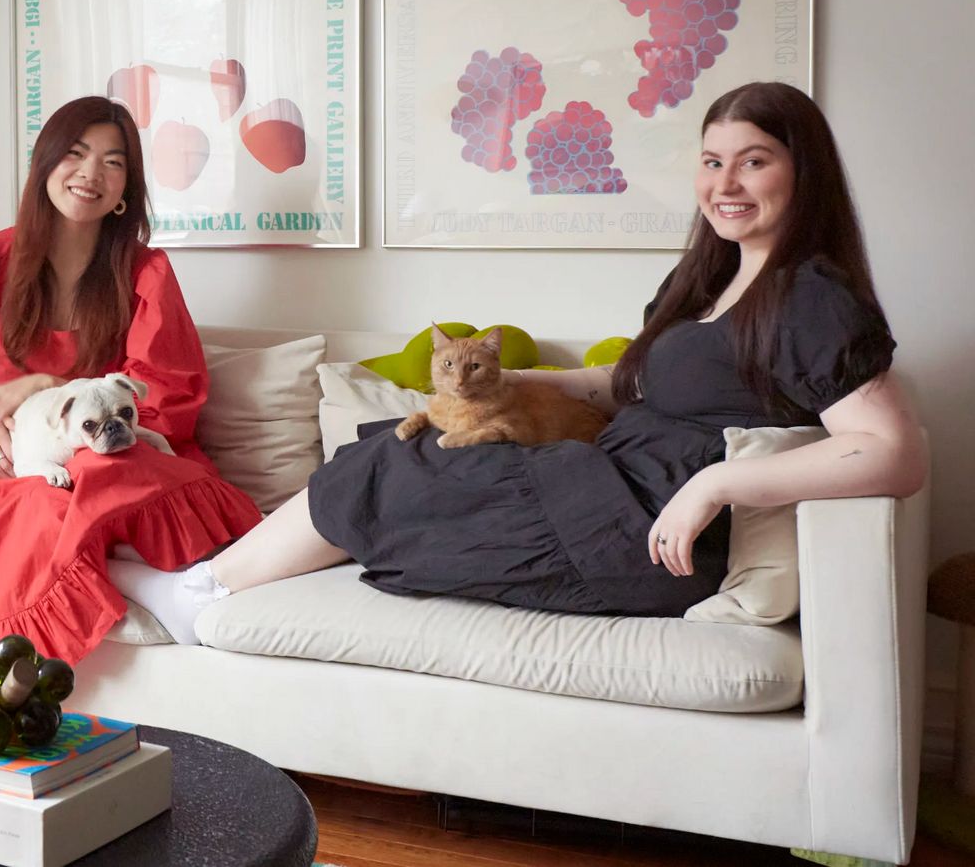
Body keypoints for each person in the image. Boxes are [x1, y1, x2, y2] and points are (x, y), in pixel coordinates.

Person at [115, 81, 928, 640]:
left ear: (801, 171)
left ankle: (201, 594)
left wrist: (716, 483)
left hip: (642, 529)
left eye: (754, 160)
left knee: (395, 467)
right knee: (394, 443)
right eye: (712, 161)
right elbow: (624, 385)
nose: (726, 183)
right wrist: (508, 382)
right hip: (606, 482)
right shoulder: (712, 278)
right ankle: (209, 587)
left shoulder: (811, 296)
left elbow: (893, 451)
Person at [0, 96, 261, 687]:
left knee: (109, 471)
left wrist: (48, 387)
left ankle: (145, 583)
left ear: (124, 192)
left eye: (113, 163)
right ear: (45, 162)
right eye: (77, 154)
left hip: (117, 455)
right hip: (31, 456)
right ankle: (11, 673)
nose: (91, 174)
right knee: (41, 499)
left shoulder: (145, 272)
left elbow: (164, 397)